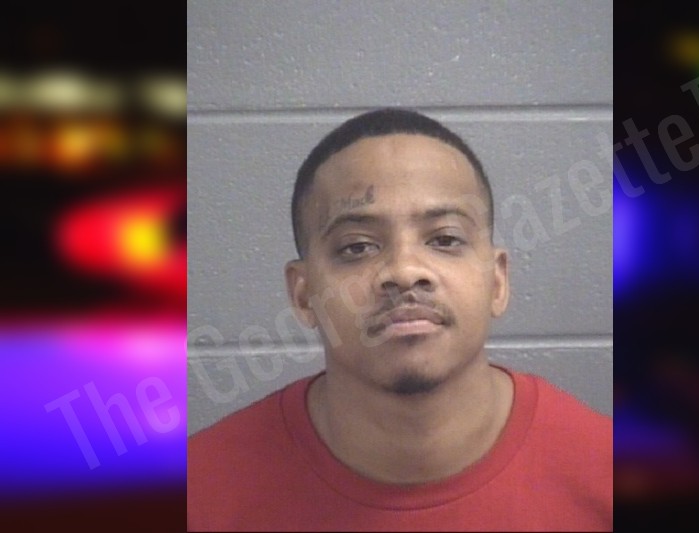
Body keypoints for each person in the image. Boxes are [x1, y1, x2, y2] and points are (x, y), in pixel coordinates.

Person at [187, 108, 612, 531]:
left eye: (445, 239)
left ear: (497, 281)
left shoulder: (608, 476)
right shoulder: (198, 495)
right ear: (303, 295)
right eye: (357, 247)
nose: (405, 271)